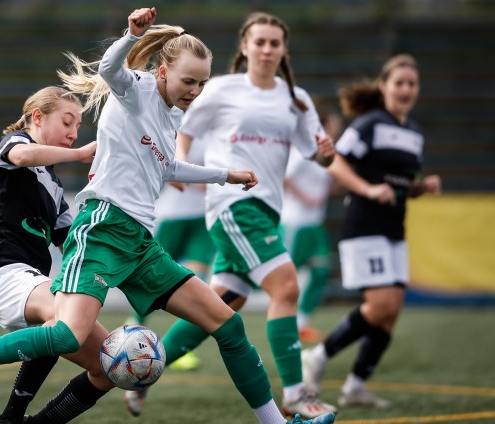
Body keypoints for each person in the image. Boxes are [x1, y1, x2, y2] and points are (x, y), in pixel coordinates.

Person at [0, 8, 334, 424]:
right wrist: (130, 35)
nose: (195, 91)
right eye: (188, 81)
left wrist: (225, 175)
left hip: (141, 243)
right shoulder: (135, 88)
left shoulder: (171, 117)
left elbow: (169, 168)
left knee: (228, 326)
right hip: (102, 228)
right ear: (162, 72)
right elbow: (108, 67)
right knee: (67, 334)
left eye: (201, 84)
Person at [136, 12, 338, 419]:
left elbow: (312, 150)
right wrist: (177, 163)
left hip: (267, 210)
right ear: (245, 47)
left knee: (219, 307)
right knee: (286, 288)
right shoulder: (221, 89)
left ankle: (141, 376)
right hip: (233, 205)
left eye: (274, 43)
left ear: (283, 51)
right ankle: (297, 396)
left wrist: (325, 152)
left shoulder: (295, 99)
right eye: (259, 41)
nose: (266, 49)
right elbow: (185, 126)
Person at [0, 86, 103, 424]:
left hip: (31, 282)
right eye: (67, 122)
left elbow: (72, 244)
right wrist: (81, 155)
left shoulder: (55, 187)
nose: (74, 134)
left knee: (109, 365)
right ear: (37, 117)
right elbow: (23, 156)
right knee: (64, 313)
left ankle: (17, 420)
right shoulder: (15, 143)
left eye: (78, 127)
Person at [301, 54, 441, 409]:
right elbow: (336, 163)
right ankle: (317, 356)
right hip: (364, 225)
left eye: (412, 84)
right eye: (399, 83)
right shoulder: (370, 124)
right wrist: (366, 189)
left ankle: (355, 386)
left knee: (390, 312)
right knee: (380, 305)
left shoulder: (414, 134)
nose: (406, 89)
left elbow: (399, 184)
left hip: (394, 228)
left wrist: (421, 187)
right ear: (384, 87)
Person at [123, 138, 216, 371]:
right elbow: (172, 164)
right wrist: (203, 178)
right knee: (152, 277)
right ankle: (134, 328)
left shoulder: (218, 128)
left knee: (199, 280)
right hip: (173, 216)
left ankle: (182, 347)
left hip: (202, 218)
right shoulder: (182, 127)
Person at [280, 100, 343, 343]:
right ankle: (283, 322)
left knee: (320, 271)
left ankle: (301, 322)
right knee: (285, 277)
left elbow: (325, 185)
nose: (336, 131)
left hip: (314, 225)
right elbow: (285, 178)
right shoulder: (304, 150)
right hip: (295, 224)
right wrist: (306, 197)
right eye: (333, 126)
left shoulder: (326, 154)